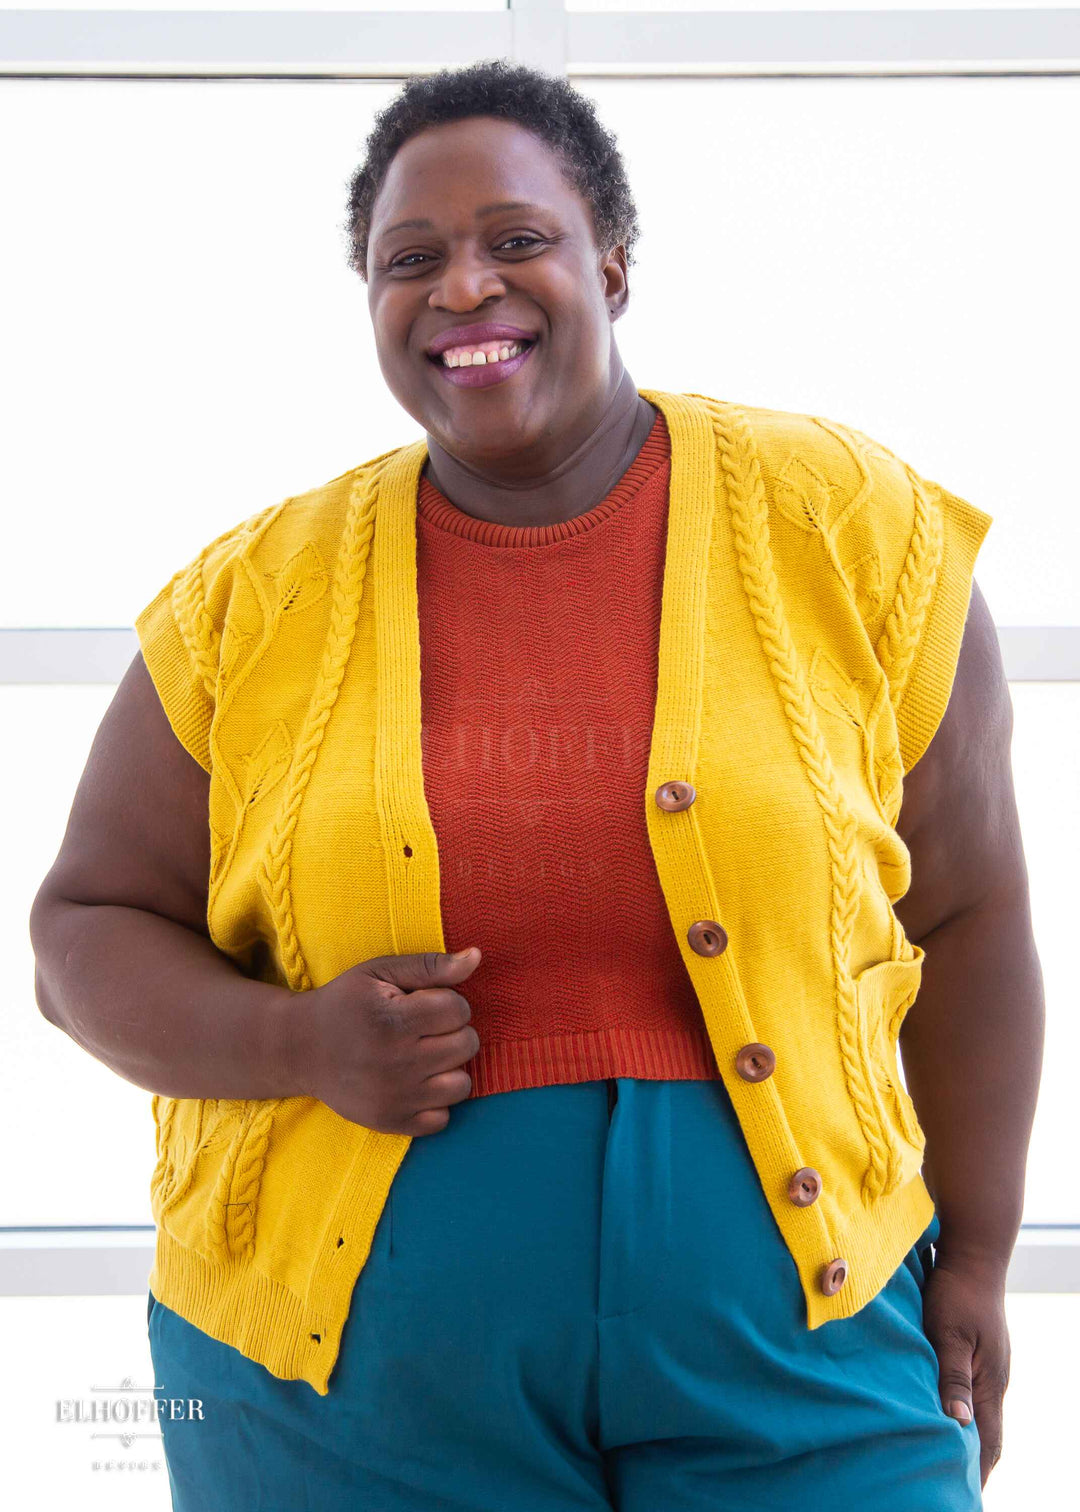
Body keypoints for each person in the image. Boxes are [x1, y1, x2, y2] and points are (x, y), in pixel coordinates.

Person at [29, 58, 1042, 1511]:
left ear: (611, 265)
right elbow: (81, 932)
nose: (462, 287)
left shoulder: (848, 526)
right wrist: (296, 1043)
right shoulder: (250, 601)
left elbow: (974, 909)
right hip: (345, 1395)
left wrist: (986, 1256)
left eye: (516, 240)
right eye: (409, 260)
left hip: (809, 1349)